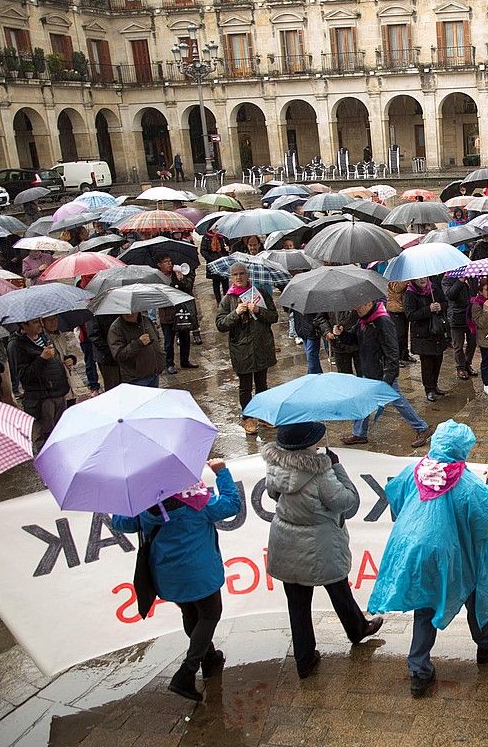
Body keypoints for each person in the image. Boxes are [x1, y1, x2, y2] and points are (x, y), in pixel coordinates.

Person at [367, 420, 488, 697]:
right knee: (474, 592)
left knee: (425, 604)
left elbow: (396, 497)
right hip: (451, 552)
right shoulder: (469, 483)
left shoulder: (414, 469)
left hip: (410, 546)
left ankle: (419, 670)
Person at [111, 459, 240, 702]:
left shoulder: (143, 504)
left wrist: (125, 496)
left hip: (167, 575)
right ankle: (186, 672)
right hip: (200, 574)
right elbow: (232, 504)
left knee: (190, 614)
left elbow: (121, 522)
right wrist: (222, 472)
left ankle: (209, 658)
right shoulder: (198, 502)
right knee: (210, 614)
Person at [263, 422, 384, 679]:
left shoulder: (275, 464)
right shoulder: (320, 474)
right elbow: (347, 500)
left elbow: (274, 494)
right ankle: (357, 629)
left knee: (298, 603)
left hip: (285, 541)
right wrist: (337, 467)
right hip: (321, 544)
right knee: (339, 588)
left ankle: (304, 660)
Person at [342, 299, 431, 448]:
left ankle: (422, 428)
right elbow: (353, 340)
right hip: (369, 370)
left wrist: (388, 377)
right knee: (364, 401)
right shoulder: (363, 320)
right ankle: (359, 434)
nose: (356, 308)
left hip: (382, 373)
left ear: (368, 303)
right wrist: (341, 334)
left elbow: (392, 351)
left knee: (398, 401)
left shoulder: (382, 321)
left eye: (359, 304)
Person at [215, 264, 279, 433]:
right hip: (241, 350)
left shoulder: (259, 293)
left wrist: (258, 310)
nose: (239, 277)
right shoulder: (228, 299)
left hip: (261, 346)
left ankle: (263, 415)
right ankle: (248, 417)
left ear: (247, 275)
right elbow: (220, 325)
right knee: (245, 386)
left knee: (262, 384)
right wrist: (236, 313)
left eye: (242, 273)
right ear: (231, 277)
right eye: (235, 274)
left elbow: (274, 316)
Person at [9, 318, 69, 450]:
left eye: (39, 321)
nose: (40, 325)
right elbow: (23, 375)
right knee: (46, 440)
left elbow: (56, 357)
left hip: (59, 391)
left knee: (62, 434)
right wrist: (41, 359)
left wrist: (68, 359)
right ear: (23, 325)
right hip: (41, 398)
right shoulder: (16, 345)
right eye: (35, 322)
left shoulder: (44, 335)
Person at [403, 276, 448, 402]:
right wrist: (428, 309)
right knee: (427, 363)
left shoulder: (434, 288)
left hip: (437, 331)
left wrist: (440, 306)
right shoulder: (410, 293)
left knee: (438, 359)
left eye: (425, 277)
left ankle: (435, 385)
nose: (423, 280)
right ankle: (429, 389)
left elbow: (445, 302)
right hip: (422, 334)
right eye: (419, 278)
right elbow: (410, 315)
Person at [155, 254, 197, 374]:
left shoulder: (178, 274)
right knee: (168, 341)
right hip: (166, 314)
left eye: (170, 261)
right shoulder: (157, 277)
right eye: (166, 261)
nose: (169, 264)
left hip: (181, 312)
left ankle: (185, 360)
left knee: (185, 337)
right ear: (159, 265)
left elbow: (188, 288)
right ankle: (169, 363)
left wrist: (181, 280)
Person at [108, 310, 163, 387]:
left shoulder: (146, 320)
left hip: (153, 373)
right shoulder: (116, 328)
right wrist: (138, 343)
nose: (129, 313)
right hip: (136, 378)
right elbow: (119, 355)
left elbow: (157, 338)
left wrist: (161, 355)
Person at [443, 273, 476, 380]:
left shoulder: (469, 277)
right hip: (456, 316)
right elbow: (450, 295)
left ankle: (467, 363)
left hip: (469, 315)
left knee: (473, 342)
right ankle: (460, 368)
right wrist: (460, 281)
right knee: (458, 345)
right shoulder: (447, 279)